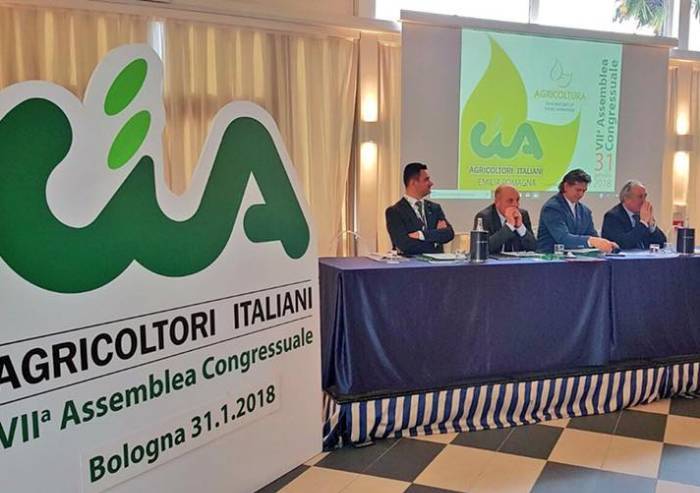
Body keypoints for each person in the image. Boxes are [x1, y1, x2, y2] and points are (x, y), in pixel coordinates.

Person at [537, 169, 618, 253]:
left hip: (577, 258)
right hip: (551, 258)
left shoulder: (585, 211)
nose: (581, 194)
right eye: (578, 190)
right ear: (566, 186)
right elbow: (563, 238)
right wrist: (590, 241)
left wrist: (605, 243)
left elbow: (592, 235)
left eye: (584, 191)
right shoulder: (552, 208)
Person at [385, 162, 454, 255]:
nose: (431, 183)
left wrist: (421, 235)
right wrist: (436, 240)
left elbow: (449, 234)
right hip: (411, 264)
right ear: (413, 183)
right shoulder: (395, 212)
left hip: (436, 263)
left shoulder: (435, 208)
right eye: (426, 180)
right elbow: (404, 245)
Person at [601, 180, 666, 250]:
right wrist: (643, 223)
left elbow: (662, 243)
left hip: (645, 256)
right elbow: (624, 244)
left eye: (645, 196)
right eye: (640, 197)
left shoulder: (641, 215)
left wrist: (651, 225)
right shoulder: (612, 217)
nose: (644, 201)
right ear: (627, 199)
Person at [473, 185, 536, 253]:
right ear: (497, 202)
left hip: (518, 259)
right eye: (510, 201)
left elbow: (534, 247)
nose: (516, 205)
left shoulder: (522, 215)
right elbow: (482, 249)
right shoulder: (484, 217)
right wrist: (509, 226)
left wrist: (520, 227)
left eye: (517, 200)